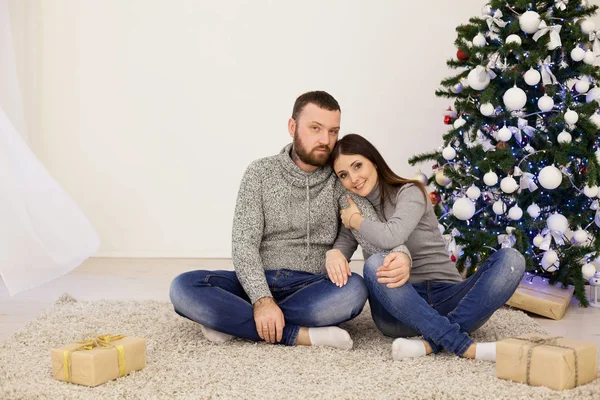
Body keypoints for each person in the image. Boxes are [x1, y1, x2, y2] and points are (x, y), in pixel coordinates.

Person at [169, 91, 412, 349]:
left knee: (353, 291)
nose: (325, 140)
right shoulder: (259, 173)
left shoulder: (340, 178)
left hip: (311, 287)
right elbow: (243, 243)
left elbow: (370, 226)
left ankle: (231, 321)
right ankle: (298, 334)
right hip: (256, 280)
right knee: (183, 287)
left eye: (333, 131)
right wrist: (262, 299)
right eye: (315, 128)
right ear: (292, 127)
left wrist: (401, 255)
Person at [327, 133, 526, 361]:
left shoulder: (410, 191)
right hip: (397, 308)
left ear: (373, 160)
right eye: (344, 175)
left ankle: (430, 343)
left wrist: (356, 221)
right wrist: (335, 253)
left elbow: (393, 235)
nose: (353, 178)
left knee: (512, 259)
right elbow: (344, 242)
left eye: (357, 166)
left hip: (448, 296)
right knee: (374, 265)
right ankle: (462, 344)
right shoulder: (355, 207)